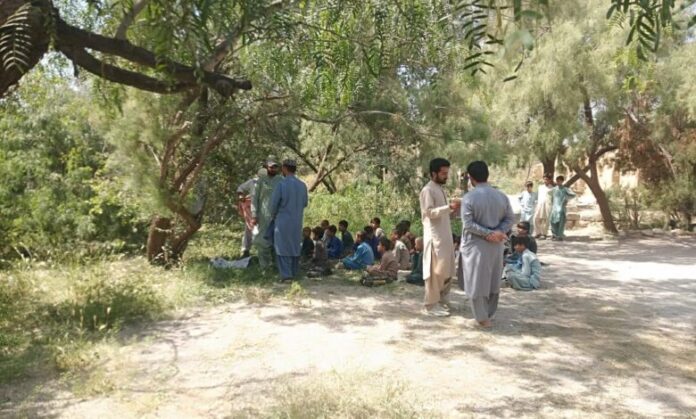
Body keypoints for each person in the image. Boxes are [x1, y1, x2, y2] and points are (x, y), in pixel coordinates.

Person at [460, 161, 514, 328]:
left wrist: (488, 233)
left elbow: (468, 224)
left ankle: (483, 318)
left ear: (471, 178)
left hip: (476, 245)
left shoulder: (469, 197)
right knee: (492, 279)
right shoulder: (501, 196)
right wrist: (498, 232)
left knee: (477, 281)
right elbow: (510, 219)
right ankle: (489, 313)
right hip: (496, 244)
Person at [420, 158, 460, 317]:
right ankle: (430, 304)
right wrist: (448, 207)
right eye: (443, 173)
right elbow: (429, 212)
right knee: (435, 272)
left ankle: (442, 300)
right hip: (435, 237)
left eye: (447, 173)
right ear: (433, 173)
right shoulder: (428, 190)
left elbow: (442, 212)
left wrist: (452, 209)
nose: (446, 176)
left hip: (445, 237)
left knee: (447, 270)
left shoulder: (439, 188)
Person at [269, 159, 308, 282]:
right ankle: (294, 272)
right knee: (295, 247)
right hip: (297, 221)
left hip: (283, 221)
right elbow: (305, 203)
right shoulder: (302, 185)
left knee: (282, 247)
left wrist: (273, 215)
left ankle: (286, 276)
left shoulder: (282, 184)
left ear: (284, 168)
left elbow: (273, 205)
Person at [252, 157, 282, 268]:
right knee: (262, 240)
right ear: (267, 167)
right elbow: (254, 199)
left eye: (275, 167)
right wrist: (254, 215)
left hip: (278, 215)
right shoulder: (260, 181)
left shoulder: (280, 180)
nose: (273, 169)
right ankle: (264, 265)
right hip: (263, 215)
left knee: (277, 240)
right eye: (271, 167)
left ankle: (276, 265)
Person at [236, 170, 262, 257]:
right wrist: (241, 196)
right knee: (248, 228)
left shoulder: (272, 184)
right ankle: (245, 251)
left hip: (264, 211)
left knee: (261, 230)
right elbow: (241, 188)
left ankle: (264, 253)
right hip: (251, 209)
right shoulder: (252, 182)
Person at [550, 175, 576, 241]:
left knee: (561, 222)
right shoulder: (554, 189)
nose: (558, 182)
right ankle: (554, 234)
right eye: (557, 181)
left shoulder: (565, 189)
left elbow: (573, 195)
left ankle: (560, 235)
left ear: (562, 181)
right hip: (554, 208)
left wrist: (566, 199)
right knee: (553, 221)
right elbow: (550, 196)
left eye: (559, 181)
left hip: (561, 208)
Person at [533, 174, 554, 239]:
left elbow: (553, 198)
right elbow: (537, 196)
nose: (545, 181)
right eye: (544, 179)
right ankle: (538, 233)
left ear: (550, 180)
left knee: (546, 220)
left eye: (547, 179)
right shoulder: (540, 187)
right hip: (540, 205)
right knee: (536, 218)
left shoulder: (552, 188)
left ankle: (544, 233)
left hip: (548, 205)